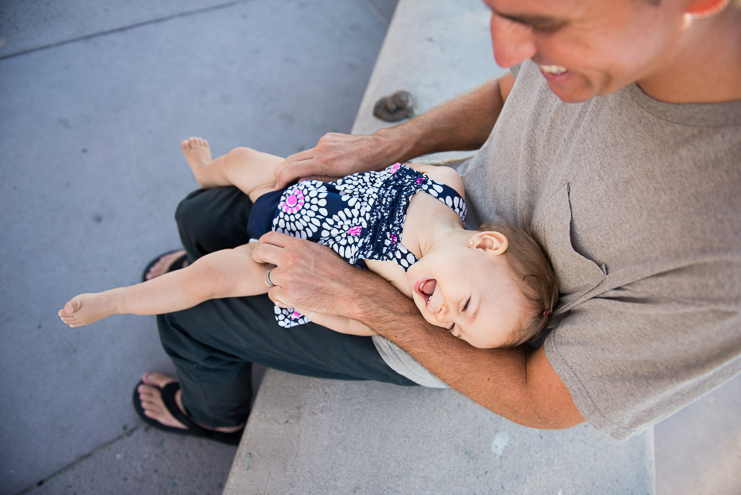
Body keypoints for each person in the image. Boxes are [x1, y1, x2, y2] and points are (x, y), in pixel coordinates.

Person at [129, 0, 740, 444]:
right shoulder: (599, 41)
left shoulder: (721, 262)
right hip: (411, 203)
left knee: (186, 314)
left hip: (413, 323)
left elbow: (542, 399)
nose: (507, 48)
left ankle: (214, 414)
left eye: (545, 20)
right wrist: (392, 144)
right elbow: (510, 92)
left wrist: (363, 298)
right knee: (201, 214)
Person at [59, 137, 558, 351]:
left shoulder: (407, 283)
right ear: (486, 244)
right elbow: (380, 167)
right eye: (465, 304)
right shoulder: (446, 184)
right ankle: (205, 171)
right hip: (299, 196)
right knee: (238, 158)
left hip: (282, 254)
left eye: (454, 330)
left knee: (206, 279)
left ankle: (115, 301)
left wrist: (306, 303)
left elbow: (356, 320)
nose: (444, 315)